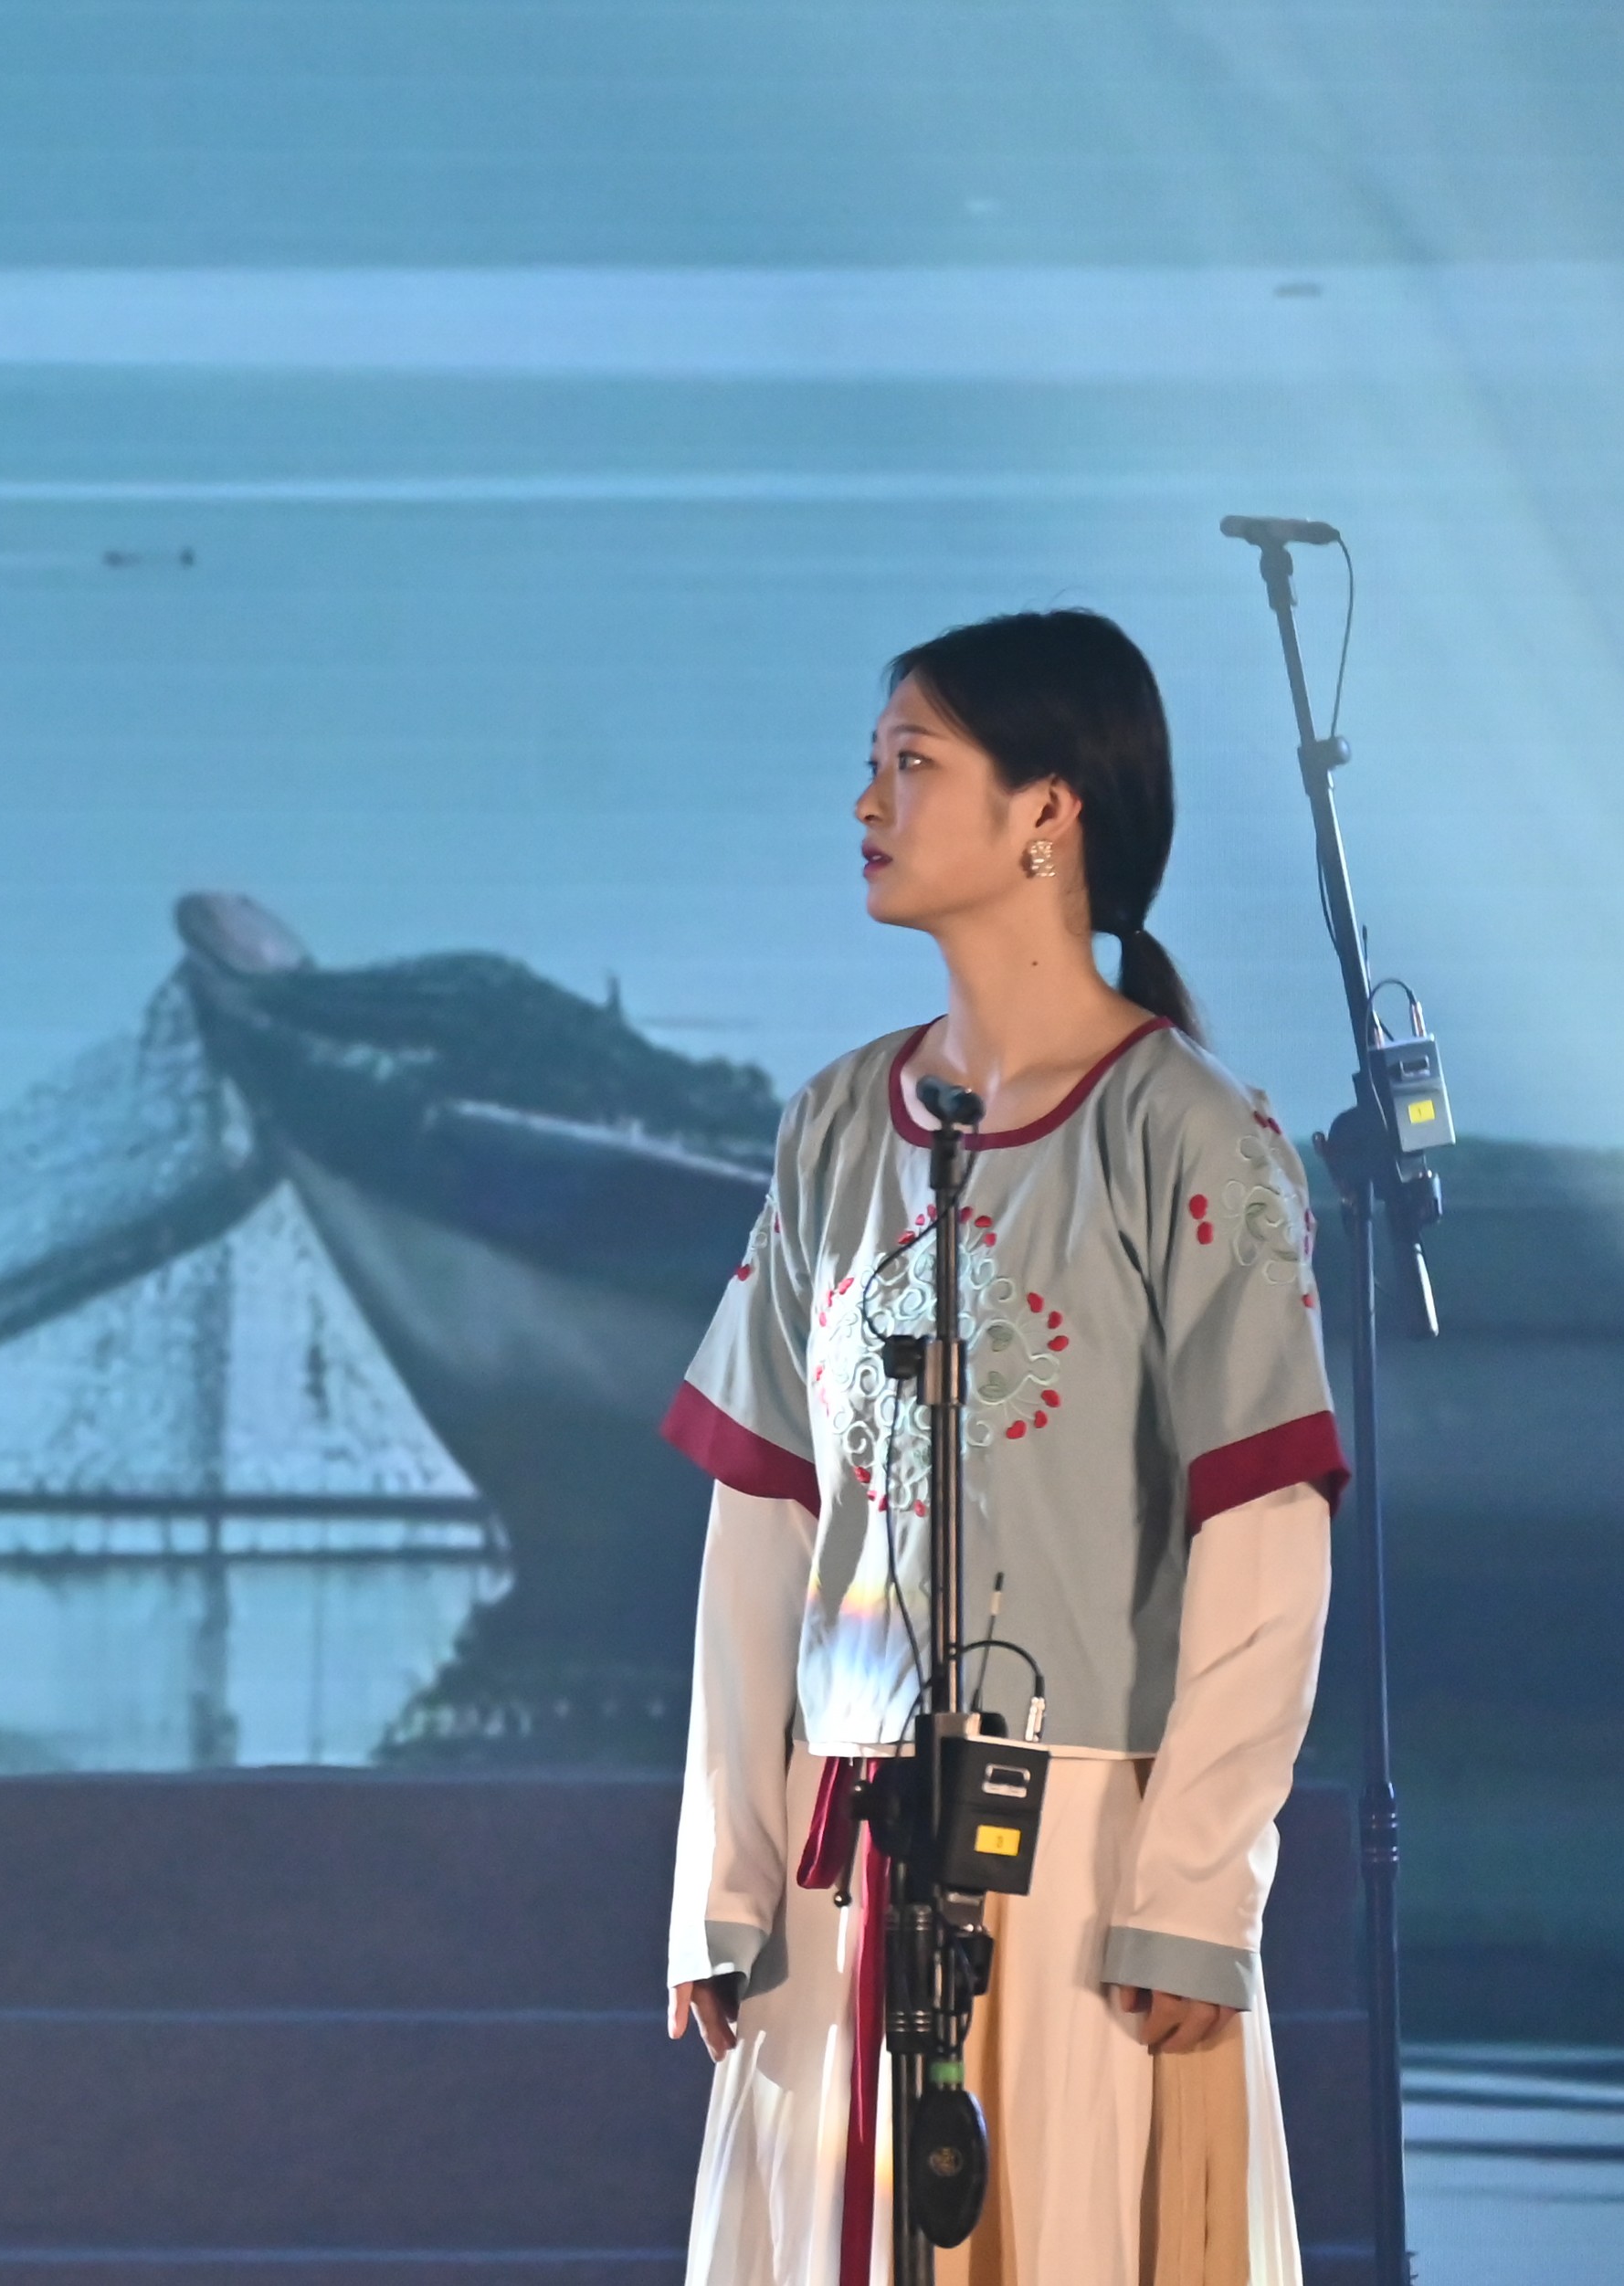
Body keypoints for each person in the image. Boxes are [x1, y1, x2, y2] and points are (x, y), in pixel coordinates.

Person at [659, 609, 1343, 2286]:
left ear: (1048, 808)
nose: (866, 804)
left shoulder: (1189, 1134)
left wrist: (1190, 1890)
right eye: (871, 765)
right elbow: (765, 1518)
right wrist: (724, 1876)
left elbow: (1263, 1536)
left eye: (911, 763)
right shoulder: (836, 1125)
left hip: (1085, 1858)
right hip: (841, 1853)